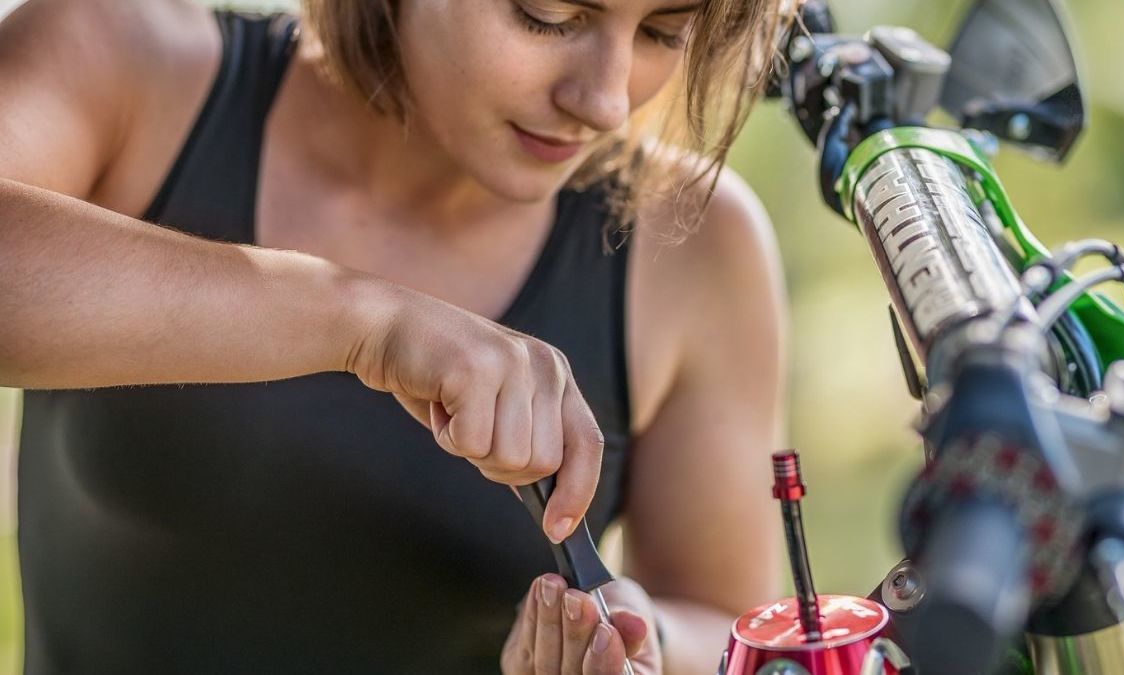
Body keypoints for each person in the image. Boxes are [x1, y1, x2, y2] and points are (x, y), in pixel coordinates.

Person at [0, 0, 790, 672]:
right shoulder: (124, 58)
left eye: (662, 32)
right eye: (546, 15)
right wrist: (365, 321)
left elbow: (728, 619)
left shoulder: (694, 246)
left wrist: (640, 637)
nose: (607, 100)